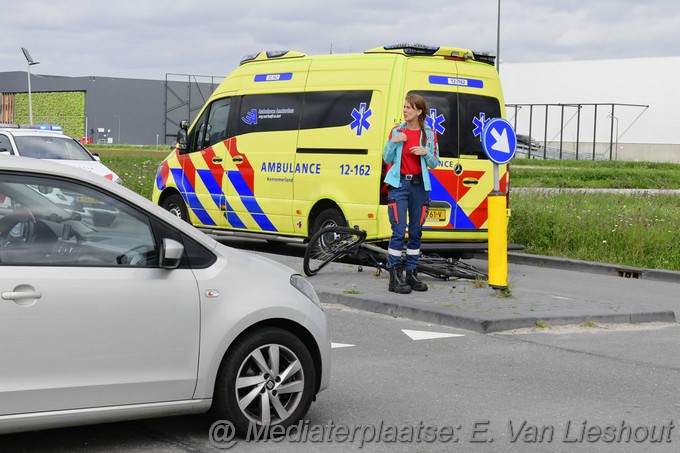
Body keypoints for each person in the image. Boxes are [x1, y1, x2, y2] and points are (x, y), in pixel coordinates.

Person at [382, 94, 440, 294]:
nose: (405, 110)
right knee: (399, 231)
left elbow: (435, 163)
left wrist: (426, 153)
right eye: (404, 106)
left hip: (419, 187)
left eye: (409, 107)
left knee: (415, 232)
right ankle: (394, 277)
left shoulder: (429, 135)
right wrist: (394, 142)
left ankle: (412, 274)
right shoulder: (397, 131)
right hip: (399, 186)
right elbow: (386, 157)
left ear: (419, 111)